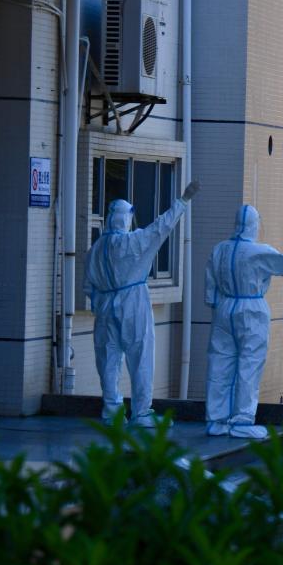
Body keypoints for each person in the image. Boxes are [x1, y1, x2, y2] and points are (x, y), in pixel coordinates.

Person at [84, 180, 202, 425]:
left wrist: (100, 304)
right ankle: (142, 412)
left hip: (105, 308)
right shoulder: (134, 242)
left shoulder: (96, 249)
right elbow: (161, 227)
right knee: (140, 358)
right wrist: (183, 201)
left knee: (108, 361)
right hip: (133, 302)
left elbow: (88, 285)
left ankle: (112, 412)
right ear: (126, 219)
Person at [205, 205, 283, 438]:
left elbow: (210, 291)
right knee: (249, 364)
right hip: (251, 309)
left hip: (224, 308)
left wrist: (217, 305)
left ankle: (216, 420)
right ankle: (242, 421)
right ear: (254, 225)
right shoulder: (258, 252)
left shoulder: (219, 249)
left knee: (220, 364)